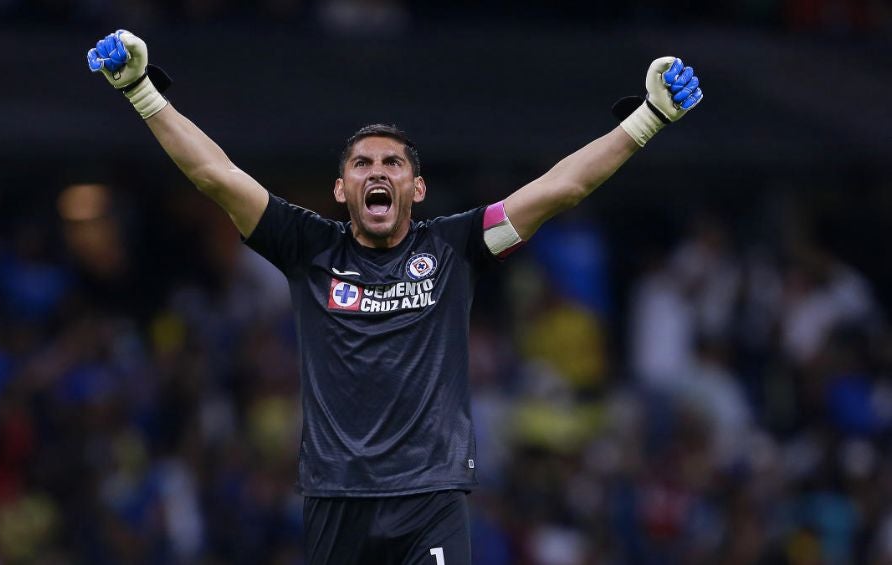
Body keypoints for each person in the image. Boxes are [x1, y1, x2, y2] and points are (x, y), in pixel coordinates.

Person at [87, 29, 702, 565]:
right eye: (361, 163)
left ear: (416, 186)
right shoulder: (307, 247)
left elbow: (561, 188)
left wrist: (646, 118)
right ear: (340, 187)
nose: (376, 171)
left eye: (392, 163)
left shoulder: (458, 245)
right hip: (336, 498)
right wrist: (142, 90)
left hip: (429, 497)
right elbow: (215, 175)